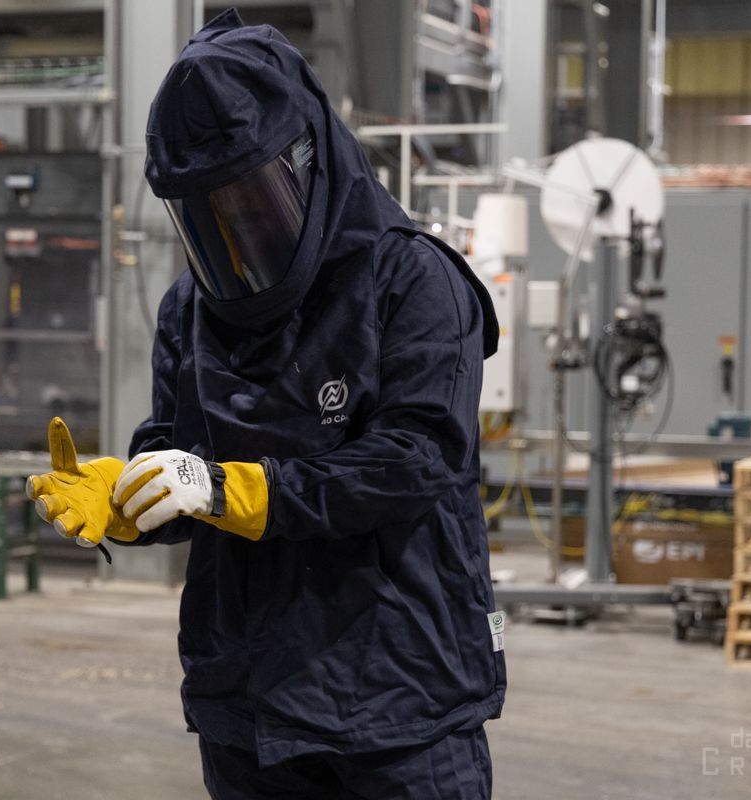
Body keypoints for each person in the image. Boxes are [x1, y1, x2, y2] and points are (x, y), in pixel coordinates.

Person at [27, 9, 505, 797]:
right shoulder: (192, 312)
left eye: (253, 204)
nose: (238, 236)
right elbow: (179, 462)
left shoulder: (412, 283)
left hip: (397, 704)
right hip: (247, 709)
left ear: (310, 163)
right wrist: (129, 497)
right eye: (208, 219)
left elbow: (414, 461)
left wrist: (236, 487)